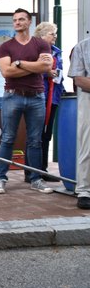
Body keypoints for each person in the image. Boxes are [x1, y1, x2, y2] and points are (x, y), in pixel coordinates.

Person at [0, 9, 54, 195]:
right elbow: (7, 72)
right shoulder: (6, 46)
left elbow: (46, 66)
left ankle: (36, 179)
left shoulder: (41, 44)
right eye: (15, 20)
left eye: (21, 19)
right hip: (13, 95)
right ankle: (0, 179)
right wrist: (34, 67)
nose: (17, 22)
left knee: (35, 140)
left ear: (29, 22)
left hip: (36, 96)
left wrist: (18, 63)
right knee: (8, 138)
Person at [32, 22, 64, 182]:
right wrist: (46, 72)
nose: (55, 36)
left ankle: (42, 169)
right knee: (35, 135)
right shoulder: (34, 51)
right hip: (39, 96)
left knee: (46, 135)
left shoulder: (57, 53)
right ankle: (31, 171)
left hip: (54, 97)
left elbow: (59, 74)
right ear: (42, 36)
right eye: (52, 33)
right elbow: (31, 70)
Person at [68, 37, 90, 209]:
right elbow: (79, 80)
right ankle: (84, 190)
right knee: (87, 146)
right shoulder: (82, 47)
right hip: (88, 103)